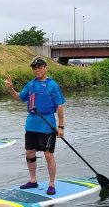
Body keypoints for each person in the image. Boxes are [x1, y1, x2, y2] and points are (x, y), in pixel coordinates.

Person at [5, 56, 65, 195]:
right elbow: (19, 97)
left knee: (48, 155)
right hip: (31, 124)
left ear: (45, 68)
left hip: (47, 124)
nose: (37, 70)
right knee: (29, 153)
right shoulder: (31, 84)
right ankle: (33, 180)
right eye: (34, 68)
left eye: (39, 67)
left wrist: (61, 127)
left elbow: (60, 105)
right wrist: (10, 88)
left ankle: (51, 183)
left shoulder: (52, 85)